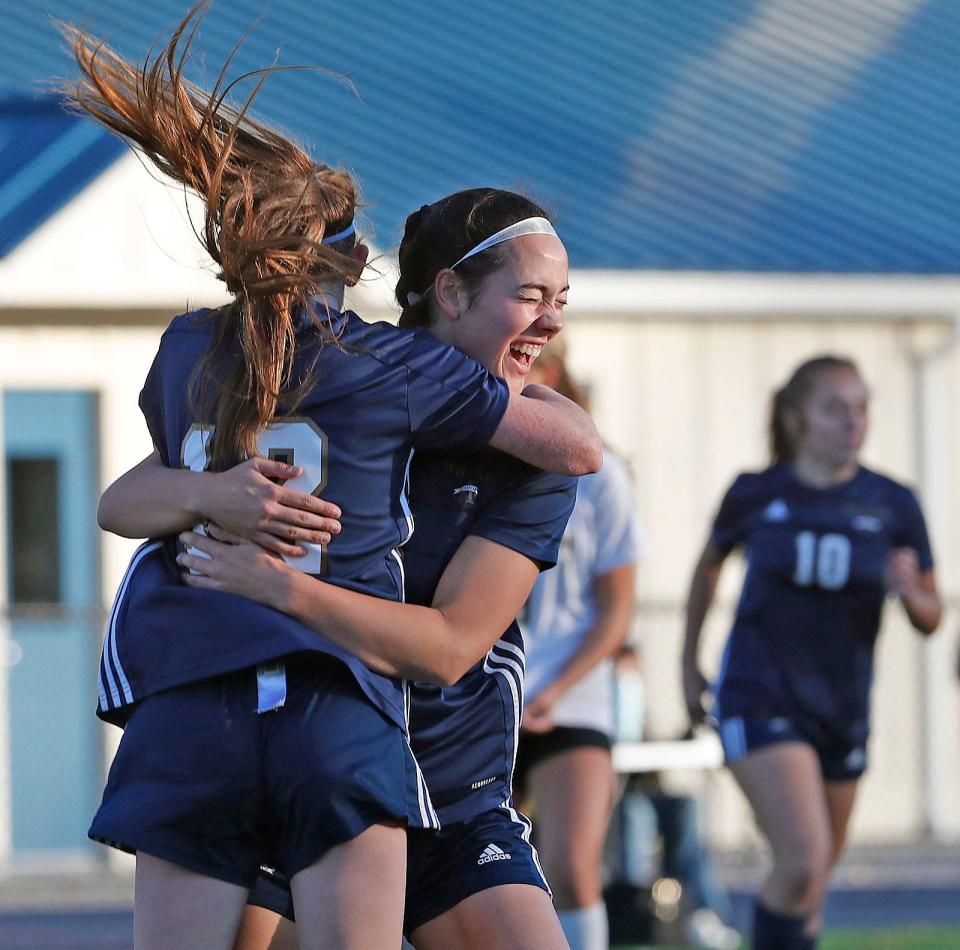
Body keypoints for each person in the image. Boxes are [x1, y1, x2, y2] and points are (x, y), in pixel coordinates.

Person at [65, 10, 600, 949]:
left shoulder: (196, 345)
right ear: (427, 286)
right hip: (342, 728)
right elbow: (578, 445)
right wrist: (214, 499)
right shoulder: (393, 369)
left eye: (562, 301)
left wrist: (264, 566)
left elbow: (123, 500)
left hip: (294, 727)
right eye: (532, 297)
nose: (551, 320)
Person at [681, 355, 942, 950]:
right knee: (801, 861)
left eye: (861, 408)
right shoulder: (757, 492)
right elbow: (708, 568)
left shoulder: (894, 502)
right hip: (760, 693)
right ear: (798, 418)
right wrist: (687, 664)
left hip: (842, 706)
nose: (852, 421)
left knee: (813, 885)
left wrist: (910, 593)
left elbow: (932, 617)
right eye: (835, 408)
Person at [510, 341, 640, 950]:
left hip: (570, 696)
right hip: (481, 687)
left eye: (530, 359)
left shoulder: (601, 474)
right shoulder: (461, 460)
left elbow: (615, 612)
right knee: (468, 874)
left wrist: (555, 690)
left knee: (570, 867)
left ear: (555, 373)